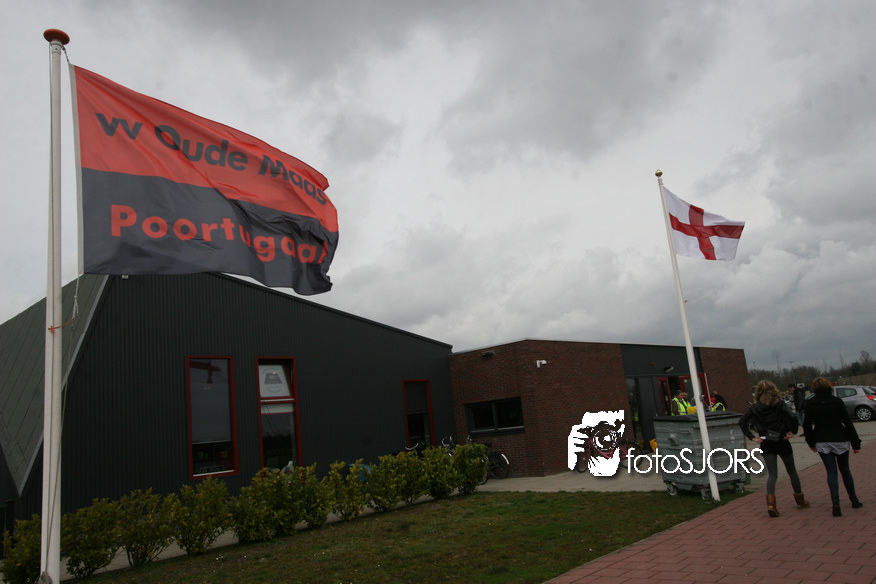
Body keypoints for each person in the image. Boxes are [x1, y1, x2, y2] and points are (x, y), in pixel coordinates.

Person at [739, 380, 810, 517]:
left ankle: (771, 504)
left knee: (772, 474)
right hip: (781, 439)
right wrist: (793, 431)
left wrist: (752, 437)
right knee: (792, 471)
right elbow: (792, 416)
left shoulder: (755, 407)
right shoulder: (779, 403)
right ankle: (800, 500)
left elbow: (742, 422)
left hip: (766, 441)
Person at [803, 377, 863, 517]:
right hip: (840, 438)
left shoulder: (810, 403)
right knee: (845, 470)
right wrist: (855, 443)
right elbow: (847, 422)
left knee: (831, 472)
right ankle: (854, 500)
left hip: (822, 439)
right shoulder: (837, 401)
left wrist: (810, 442)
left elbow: (807, 425)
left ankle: (835, 502)